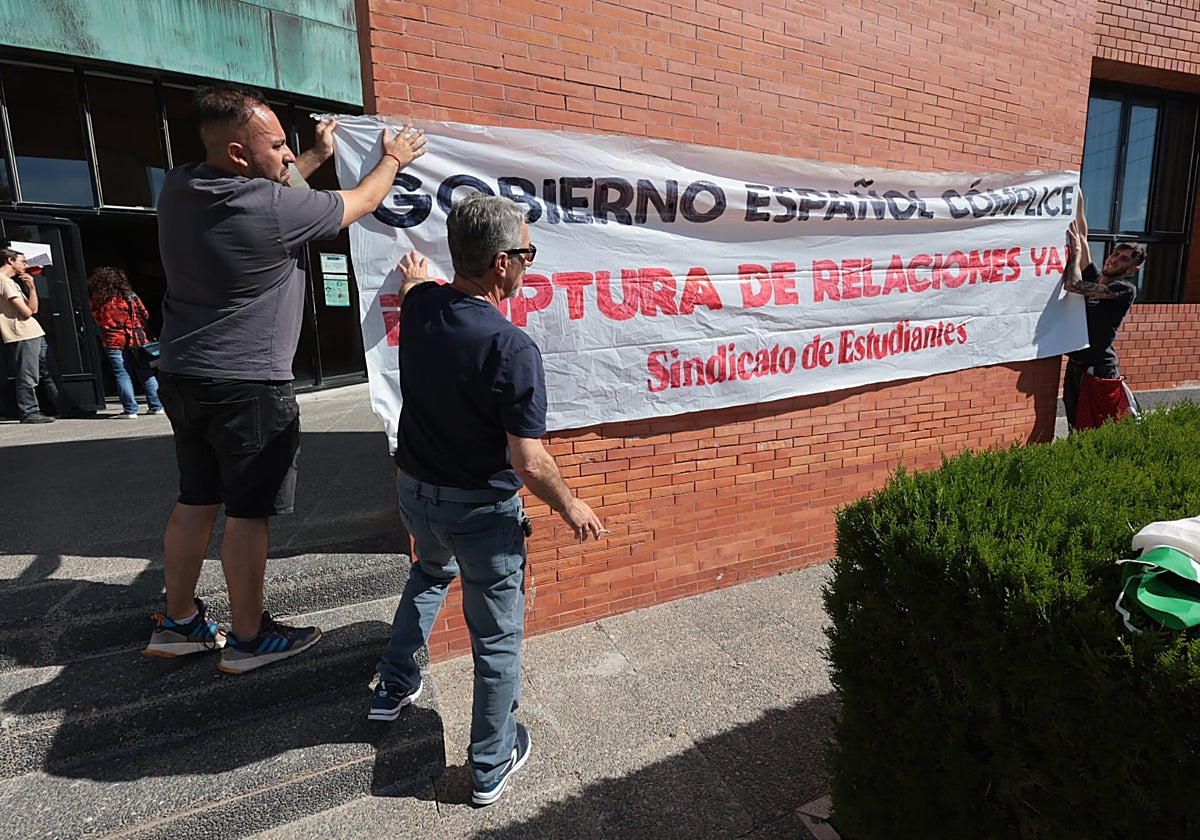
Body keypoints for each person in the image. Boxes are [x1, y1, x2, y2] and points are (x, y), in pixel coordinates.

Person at [145, 84, 427, 674]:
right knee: (248, 513)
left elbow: (283, 180)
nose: (286, 154)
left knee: (196, 498)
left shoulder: (179, 187)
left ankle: (178, 625)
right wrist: (394, 157)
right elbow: (364, 200)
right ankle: (248, 640)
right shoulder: (272, 211)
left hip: (182, 373)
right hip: (247, 386)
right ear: (239, 155)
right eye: (276, 146)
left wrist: (314, 157)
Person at [369, 194, 605, 807]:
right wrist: (570, 504)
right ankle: (490, 766)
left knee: (426, 573)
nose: (530, 264)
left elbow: (419, 280)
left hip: (416, 494)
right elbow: (529, 461)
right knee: (496, 641)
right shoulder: (511, 346)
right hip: (479, 514)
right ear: (501, 264)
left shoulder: (420, 306)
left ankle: (391, 690)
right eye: (526, 254)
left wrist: (417, 275)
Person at [1062, 194, 1145, 430]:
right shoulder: (1094, 275)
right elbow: (1082, 236)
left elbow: (1073, 285)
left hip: (1099, 369)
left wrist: (1075, 255)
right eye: (1115, 254)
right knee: (1074, 425)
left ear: (1132, 268)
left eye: (1124, 260)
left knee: (1096, 427)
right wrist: (1077, 193)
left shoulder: (1124, 289)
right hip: (1076, 366)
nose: (1115, 260)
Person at [87, 266, 163, 419]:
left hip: (113, 340)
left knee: (122, 375)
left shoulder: (97, 300)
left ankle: (130, 410)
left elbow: (97, 320)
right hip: (137, 339)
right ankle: (156, 406)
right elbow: (145, 315)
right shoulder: (130, 297)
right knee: (146, 373)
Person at [0, 248, 60, 424]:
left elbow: (34, 309)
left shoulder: (12, 282)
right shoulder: (4, 281)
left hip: (33, 332)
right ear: (10, 260)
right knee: (28, 374)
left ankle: (61, 406)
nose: (26, 265)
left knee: (46, 372)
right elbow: (26, 312)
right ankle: (29, 411)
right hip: (21, 333)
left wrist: (32, 287)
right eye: (23, 261)